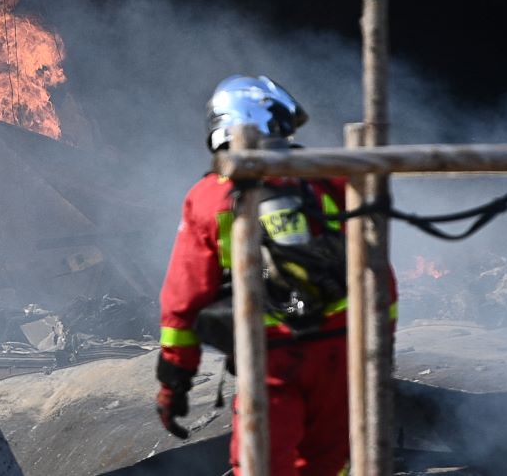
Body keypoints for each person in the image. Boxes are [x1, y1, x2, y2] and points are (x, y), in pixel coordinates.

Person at [156, 75, 384, 476]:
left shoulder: (209, 196)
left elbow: (183, 300)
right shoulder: (330, 179)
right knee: (330, 462)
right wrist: (379, 343)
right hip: (339, 346)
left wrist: (175, 380)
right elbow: (377, 271)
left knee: (262, 463)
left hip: (271, 352)